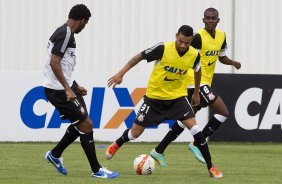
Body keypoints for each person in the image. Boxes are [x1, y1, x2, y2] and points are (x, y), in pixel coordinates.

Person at [106, 25, 223, 178]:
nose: (183, 45)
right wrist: (120, 73)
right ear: (176, 36)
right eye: (180, 41)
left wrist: (195, 92)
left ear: (190, 41)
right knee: (135, 134)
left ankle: (211, 167)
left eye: (187, 43)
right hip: (154, 99)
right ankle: (118, 143)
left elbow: (197, 70)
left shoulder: (194, 54)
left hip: (177, 99)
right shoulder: (163, 48)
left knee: (195, 130)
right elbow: (138, 57)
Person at [150, 7, 241, 166]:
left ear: (218, 20)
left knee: (187, 117)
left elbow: (221, 57)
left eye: (213, 18)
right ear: (203, 20)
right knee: (223, 111)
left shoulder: (221, 35)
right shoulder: (198, 37)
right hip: (194, 82)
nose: (210, 20)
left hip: (204, 82)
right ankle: (197, 142)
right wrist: (192, 87)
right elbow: (190, 59)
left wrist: (233, 62)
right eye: (208, 18)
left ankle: (158, 150)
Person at [43, 4, 119, 179]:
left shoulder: (63, 32)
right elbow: (54, 62)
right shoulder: (66, 33)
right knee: (86, 125)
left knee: (82, 124)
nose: (85, 27)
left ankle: (54, 155)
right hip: (59, 91)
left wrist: (74, 86)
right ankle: (96, 170)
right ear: (83, 20)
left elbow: (63, 65)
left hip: (64, 87)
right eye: (86, 23)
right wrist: (68, 89)